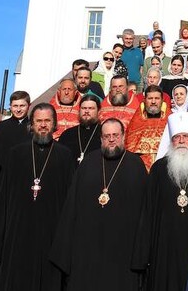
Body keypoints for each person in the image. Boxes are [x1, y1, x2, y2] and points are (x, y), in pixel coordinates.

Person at [0, 103, 75, 291]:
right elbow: (2, 197)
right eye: (38, 121)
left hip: (51, 234)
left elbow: (70, 201)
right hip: (17, 233)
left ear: (54, 124)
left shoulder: (65, 156)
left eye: (47, 121)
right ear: (31, 125)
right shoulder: (16, 154)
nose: (43, 125)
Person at [50, 118, 148, 291]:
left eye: (115, 135)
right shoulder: (88, 162)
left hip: (123, 252)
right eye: (107, 136)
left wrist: (140, 255)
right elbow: (71, 206)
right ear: (101, 139)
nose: (111, 139)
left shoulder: (136, 165)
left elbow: (144, 214)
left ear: (123, 136)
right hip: (87, 250)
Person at [132, 112, 188, 291]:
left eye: (186, 136)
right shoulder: (159, 169)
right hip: (164, 246)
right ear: (171, 140)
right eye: (177, 137)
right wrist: (142, 255)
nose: (182, 141)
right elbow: (148, 211)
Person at [125, 84, 172, 171]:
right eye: (150, 98)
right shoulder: (137, 121)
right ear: (145, 100)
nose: (153, 102)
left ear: (162, 100)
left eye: (157, 98)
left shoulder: (170, 120)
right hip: (141, 169)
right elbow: (129, 148)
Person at [0, 90, 32, 172]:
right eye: (15, 106)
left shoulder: (35, 129)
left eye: (22, 106)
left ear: (29, 106)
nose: (18, 109)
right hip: (1, 176)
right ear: (10, 106)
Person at [58, 94, 102, 165]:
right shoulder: (67, 134)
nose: (86, 111)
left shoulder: (104, 134)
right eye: (84, 108)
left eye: (91, 108)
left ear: (99, 111)